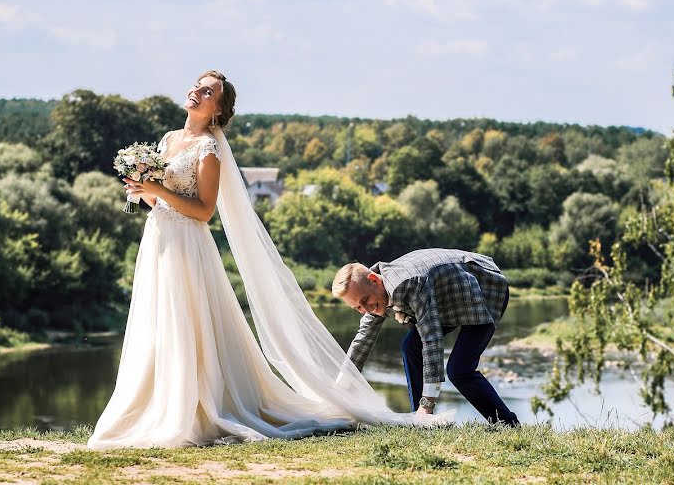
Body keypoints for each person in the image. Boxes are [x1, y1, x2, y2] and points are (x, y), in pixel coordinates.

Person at [88, 71, 443, 450]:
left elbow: (204, 210)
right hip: (157, 240)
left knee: (186, 322)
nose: (197, 92)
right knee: (158, 323)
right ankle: (153, 407)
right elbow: (161, 202)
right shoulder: (169, 140)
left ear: (217, 111)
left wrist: (155, 187)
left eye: (208, 92)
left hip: (188, 248)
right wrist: (143, 191)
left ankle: (192, 409)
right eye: (198, 85)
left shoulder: (208, 148)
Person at [333, 249, 519, 426]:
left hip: (483, 286)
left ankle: (506, 423)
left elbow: (431, 339)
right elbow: (362, 340)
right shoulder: (373, 289)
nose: (365, 310)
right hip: (447, 299)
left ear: (374, 280)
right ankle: (420, 419)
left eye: (365, 301)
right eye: (357, 307)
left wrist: (428, 403)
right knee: (411, 346)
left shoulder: (407, 284)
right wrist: (337, 392)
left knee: (459, 370)